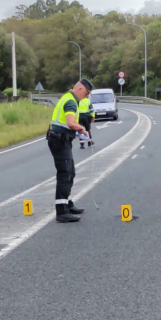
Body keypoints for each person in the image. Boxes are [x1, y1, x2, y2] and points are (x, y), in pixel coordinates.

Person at [46, 79, 92, 222]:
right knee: (65, 174)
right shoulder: (71, 101)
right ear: (79, 89)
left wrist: (77, 133)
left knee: (70, 172)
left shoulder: (67, 97)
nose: (86, 97)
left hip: (61, 139)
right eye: (86, 93)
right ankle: (61, 212)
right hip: (60, 141)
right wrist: (82, 128)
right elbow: (71, 123)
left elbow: (66, 124)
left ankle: (68, 203)